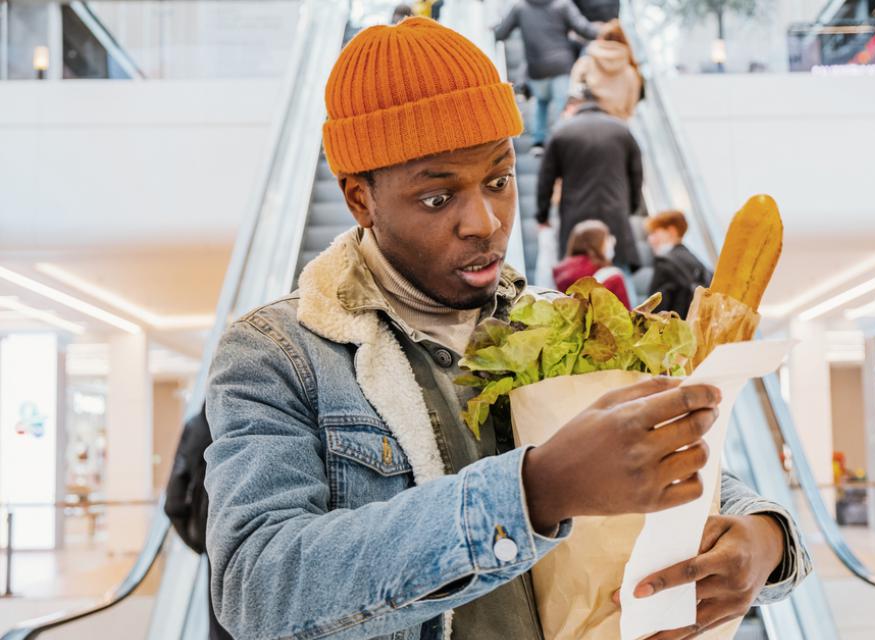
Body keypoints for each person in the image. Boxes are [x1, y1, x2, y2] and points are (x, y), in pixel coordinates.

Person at [204, 18, 811, 640]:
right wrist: (533, 492)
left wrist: (764, 539)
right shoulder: (278, 354)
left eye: (499, 179)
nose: (486, 221)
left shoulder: (566, 321)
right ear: (360, 199)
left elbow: (668, 460)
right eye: (438, 199)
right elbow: (256, 586)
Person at [537, 89, 644, 272]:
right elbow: (636, 173)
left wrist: (543, 215)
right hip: (615, 215)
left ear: (572, 107)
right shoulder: (622, 130)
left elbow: (545, 178)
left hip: (575, 219)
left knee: (579, 283)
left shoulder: (562, 132)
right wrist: (632, 206)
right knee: (617, 275)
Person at [164, 407, 233, 640]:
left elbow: (174, 504)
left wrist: (203, 543)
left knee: (221, 626)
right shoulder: (264, 415)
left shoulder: (199, 424)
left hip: (216, 540)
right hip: (265, 542)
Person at [494, 0, 599, 153]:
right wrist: (606, 32)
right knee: (561, 105)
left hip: (536, 68)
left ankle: (538, 142)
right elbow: (584, 28)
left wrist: (489, 30)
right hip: (562, 64)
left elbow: (501, 33)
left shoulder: (520, 7)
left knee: (540, 102)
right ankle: (560, 141)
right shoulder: (563, 5)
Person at [570, 19, 642, 120]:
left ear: (600, 38)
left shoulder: (585, 63)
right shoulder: (631, 74)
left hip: (585, 120)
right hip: (615, 125)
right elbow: (630, 109)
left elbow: (573, 93)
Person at [646, 210, 713, 318]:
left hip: (677, 330)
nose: (650, 240)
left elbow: (653, 311)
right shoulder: (696, 260)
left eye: (654, 233)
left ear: (671, 231)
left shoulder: (664, 263)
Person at [553, 219, 631, 307]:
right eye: (607, 238)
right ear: (597, 244)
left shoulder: (560, 273)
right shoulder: (612, 277)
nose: (612, 241)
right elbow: (625, 315)